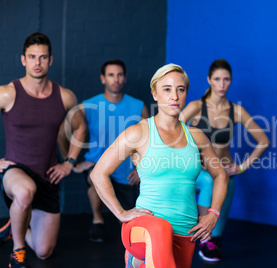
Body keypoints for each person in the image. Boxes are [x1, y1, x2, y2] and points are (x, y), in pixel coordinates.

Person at [90, 63, 228, 268]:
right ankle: (137, 256)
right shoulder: (138, 133)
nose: (175, 96)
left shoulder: (196, 136)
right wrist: (121, 212)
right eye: (167, 89)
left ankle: (139, 264)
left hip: (185, 231)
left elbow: (220, 175)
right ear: (155, 93)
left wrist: (213, 214)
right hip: (144, 228)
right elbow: (98, 173)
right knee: (160, 228)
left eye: (180, 90)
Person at [0, 32, 87, 267]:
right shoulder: (7, 93)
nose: (37, 63)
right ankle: (17, 251)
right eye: (32, 57)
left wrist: (69, 163)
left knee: (44, 251)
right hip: (15, 172)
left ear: (51, 60)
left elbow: (80, 128)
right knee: (25, 191)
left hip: (48, 177)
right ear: (22, 60)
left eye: (42, 57)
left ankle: (14, 226)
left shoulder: (65, 96)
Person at [180, 59, 270, 262]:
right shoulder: (196, 107)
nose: (222, 84)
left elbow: (263, 141)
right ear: (209, 80)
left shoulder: (236, 111)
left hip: (224, 176)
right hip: (196, 173)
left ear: (231, 81)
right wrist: (193, 159)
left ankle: (208, 239)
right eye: (217, 79)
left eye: (226, 79)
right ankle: (202, 238)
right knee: (201, 232)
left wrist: (242, 168)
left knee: (215, 236)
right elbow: (172, 134)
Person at [72, 59, 149, 243]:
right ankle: (97, 220)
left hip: (126, 172)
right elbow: (63, 131)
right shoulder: (88, 106)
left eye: (119, 75)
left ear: (125, 78)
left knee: (132, 227)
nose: (116, 79)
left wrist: (141, 169)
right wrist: (71, 162)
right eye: (111, 75)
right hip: (97, 165)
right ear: (103, 78)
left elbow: (149, 141)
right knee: (94, 180)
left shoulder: (138, 107)